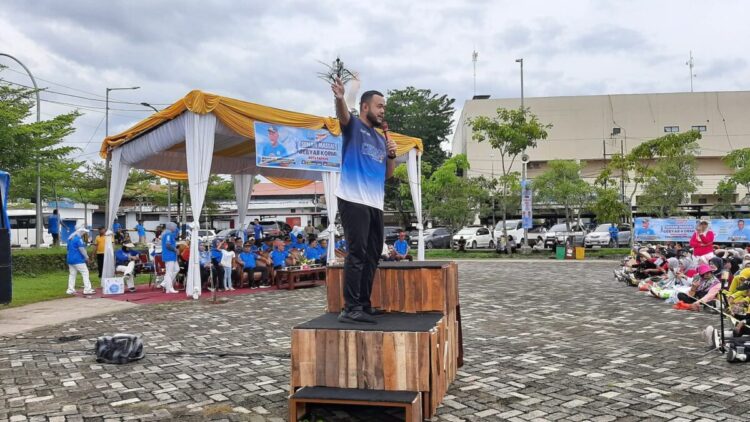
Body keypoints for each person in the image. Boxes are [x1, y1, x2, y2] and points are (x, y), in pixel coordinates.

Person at [332, 77, 397, 324]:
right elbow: (342, 116)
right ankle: (350, 308)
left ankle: (364, 304)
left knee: (372, 255)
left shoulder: (381, 139)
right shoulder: (354, 126)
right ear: (365, 107)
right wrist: (340, 98)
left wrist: (391, 156)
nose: (382, 111)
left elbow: (387, 175)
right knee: (357, 253)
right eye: (379, 106)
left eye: (384, 107)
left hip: (375, 203)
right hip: (353, 198)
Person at [66, 226, 95, 295]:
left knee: (72, 275)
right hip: (78, 260)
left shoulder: (70, 239)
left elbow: (68, 249)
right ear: (81, 232)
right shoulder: (78, 239)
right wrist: (87, 258)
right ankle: (87, 289)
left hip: (70, 259)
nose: (84, 234)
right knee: (85, 273)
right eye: (84, 233)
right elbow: (82, 250)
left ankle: (70, 289)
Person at [160, 222, 179, 294]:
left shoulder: (169, 233)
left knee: (176, 269)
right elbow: (168, 245)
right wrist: (175, 250)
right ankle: (169, 288)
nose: (176, 228)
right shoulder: (168, 234)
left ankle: (165, 283)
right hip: (169, 255)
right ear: (171, 227)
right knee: (169, 272)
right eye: (175, 226)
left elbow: (177, 234)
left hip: (172, 256)